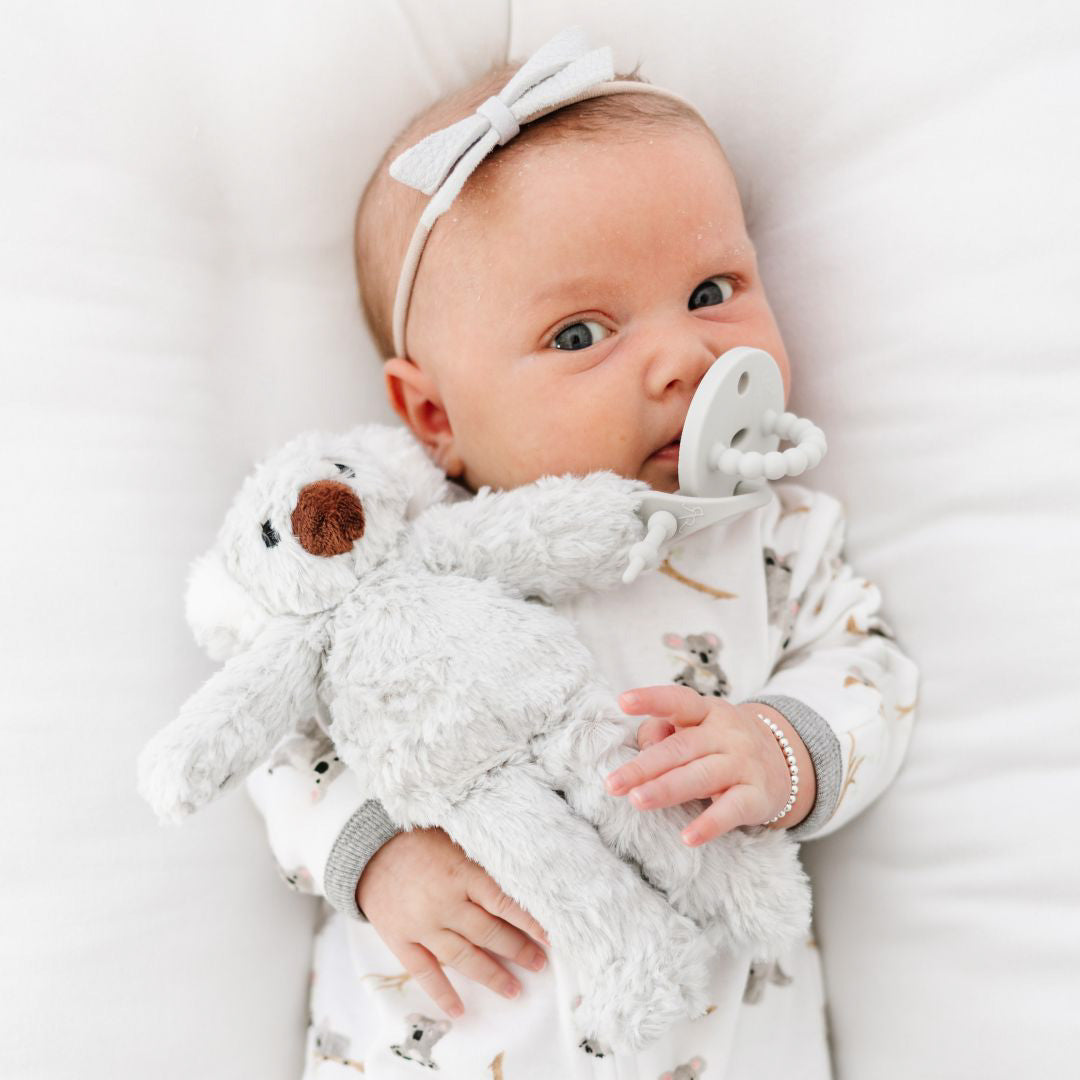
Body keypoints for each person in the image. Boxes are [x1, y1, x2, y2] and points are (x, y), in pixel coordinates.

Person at [245, 28, 918, 1079]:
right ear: (434, 413)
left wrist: (785, 747)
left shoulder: (773, 534)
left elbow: (871, 668)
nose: (680, 357)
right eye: (579, 334)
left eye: (711, 293)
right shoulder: (400, 567)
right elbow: (279, 727)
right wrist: (374, 852)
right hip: (452, 1032)